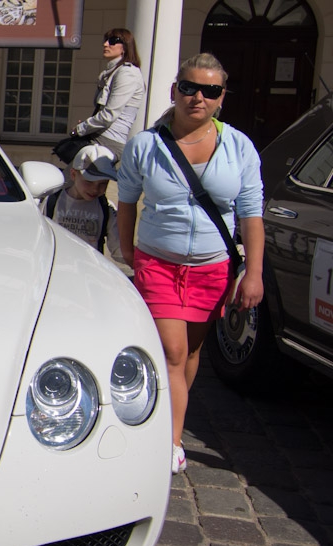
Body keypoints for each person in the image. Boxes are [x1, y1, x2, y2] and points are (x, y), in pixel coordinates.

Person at [117, 53, 264, 474]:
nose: (197, 97)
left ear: (221, 99)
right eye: (189, 87)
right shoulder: (146, 145)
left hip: (212, 267)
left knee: (192, 351)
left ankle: (170, 422)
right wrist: (128, 251)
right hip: (159, 263)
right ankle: (170, 440)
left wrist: (252, 272)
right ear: (174, 91)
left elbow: (251, 213)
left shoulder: (238, 147)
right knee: (172, 350)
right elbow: (126, 200)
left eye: (210, 91)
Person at [71, 28, 146, 159]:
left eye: (112, 41)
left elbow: (109, 115)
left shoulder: (127, 73)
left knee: (71, 178)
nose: (105, 44)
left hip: (108, 141)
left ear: (125, 47)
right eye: (105, 41)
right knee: (73, 175)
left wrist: (81, 128)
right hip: (99, 137)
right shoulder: (113, 72)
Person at [41, 143, 121, 262]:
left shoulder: (107, 209)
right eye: (89, 182)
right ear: (73, 174)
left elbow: (119, 251)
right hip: (57, 268)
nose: (95, 189)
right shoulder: (51, 201)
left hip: (89, 271)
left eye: (103, 184)